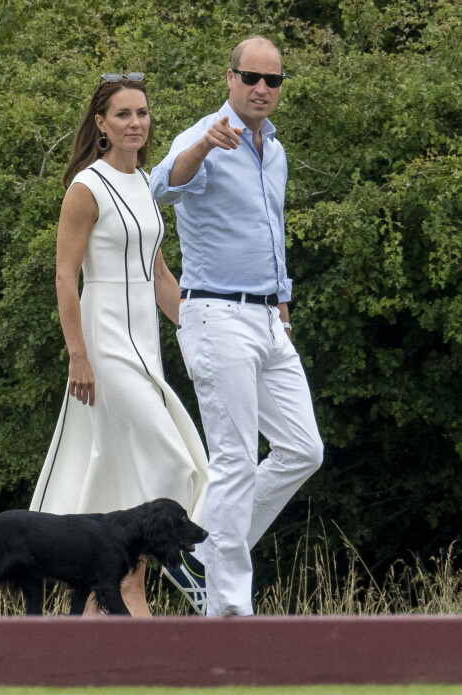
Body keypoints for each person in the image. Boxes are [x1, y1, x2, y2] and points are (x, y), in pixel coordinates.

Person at [150, 37, 323, 617]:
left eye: (272, 80)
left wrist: (283, 303)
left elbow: (272, 230)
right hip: (216, 315)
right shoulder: (206, 135)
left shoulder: (274, 150)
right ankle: (227, 614)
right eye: (251, 77)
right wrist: (204, 145)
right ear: (229, 78)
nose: (261, 89)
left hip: (269, 319)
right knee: (235, 461)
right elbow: (162, 185)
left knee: (304, 449)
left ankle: (199, 550)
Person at [30, 73, 208, 617]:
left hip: (146, 347)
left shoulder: (146, 186)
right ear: (101, 124)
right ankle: (179, 564)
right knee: (174, 459)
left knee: (120, 472)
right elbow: (65, 277)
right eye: (124, 114)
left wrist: (199, 332)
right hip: (103, 345)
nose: (136, 123)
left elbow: (158, 275)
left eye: (143, 113)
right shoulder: (87, 186)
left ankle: (123, 585)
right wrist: (77, 354)